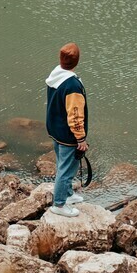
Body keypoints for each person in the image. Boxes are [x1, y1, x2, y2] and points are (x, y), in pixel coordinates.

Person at [45, 42, 89, 216]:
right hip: (68, 134)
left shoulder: (56, 74)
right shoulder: (72, 86)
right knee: (66, 168)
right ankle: (60, 204)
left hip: (55, 128)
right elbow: (75, 115)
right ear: (77, 61)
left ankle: (68, 194)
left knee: (62, 163)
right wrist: (80, 138)